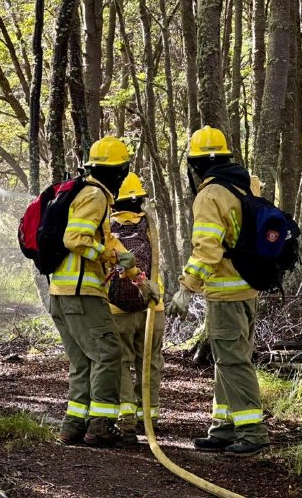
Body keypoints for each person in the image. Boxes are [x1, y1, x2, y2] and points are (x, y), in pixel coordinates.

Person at [166, 125, 269, 457]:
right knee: (227, 359)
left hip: (225, 291)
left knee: (233, 361)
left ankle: (252, 432)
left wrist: (185, 289)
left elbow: (207, 250)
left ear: (197, 165)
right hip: (249, 286)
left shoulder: (210, 195)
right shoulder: (247, 183)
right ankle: (223, 428)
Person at [49, 136, 146, 447]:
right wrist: (109, 258)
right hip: (83, 293)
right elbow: (75, 239)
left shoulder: (86, 192)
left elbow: (110, 243)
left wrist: (139, 279)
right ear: (117, 171)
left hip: (62, 293)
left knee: (83, 361)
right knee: (108, 354)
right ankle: (100, 426)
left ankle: (73, 425)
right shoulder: (96, 196)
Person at [108, 172, 164, 443]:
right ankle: (149, 417)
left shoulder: (106, 226)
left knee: (120, 363)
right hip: (152, 304)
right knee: (149, 362)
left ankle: (126, 419)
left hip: (115, 309)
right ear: (139, 199)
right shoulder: (151, 224)